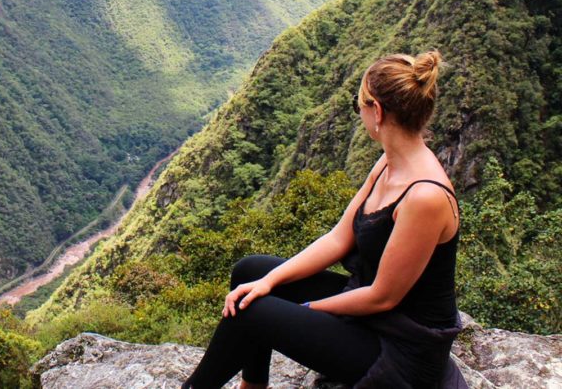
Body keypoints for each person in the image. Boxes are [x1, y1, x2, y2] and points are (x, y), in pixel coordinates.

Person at [182, 51, 468, 388]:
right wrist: (270, 282)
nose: (358, 111)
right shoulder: (389, 164)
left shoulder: (425, 197)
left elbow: (383, 297)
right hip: (371, 312)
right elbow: (339, 238)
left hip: (401, 348)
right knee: (251, 273)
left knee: (251, 310)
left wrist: (307, 309)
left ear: (376, 111)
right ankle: (253, 385)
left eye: (359, 103)